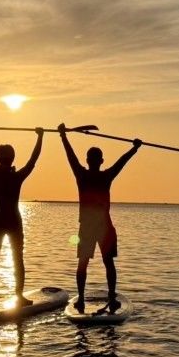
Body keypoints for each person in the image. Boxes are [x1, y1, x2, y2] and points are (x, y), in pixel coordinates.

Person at [58, 123, 141, 313]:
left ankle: (81, 301)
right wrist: (134, 148)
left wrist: (63, 137)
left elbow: (70, 156)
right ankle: (110, 299)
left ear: (88, 160)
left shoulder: (81, 174)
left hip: (89, 227)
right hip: (103, 226)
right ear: (101, 161)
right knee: (108, 262)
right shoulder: (106, 176)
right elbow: (122, 161)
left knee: (84, 263)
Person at [0, 125, 44, 312]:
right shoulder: (16, 177)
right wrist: (40, 137)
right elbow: (33, 160)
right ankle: (17, 295)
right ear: (12, 158)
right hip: (13, 220)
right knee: (17, 259)